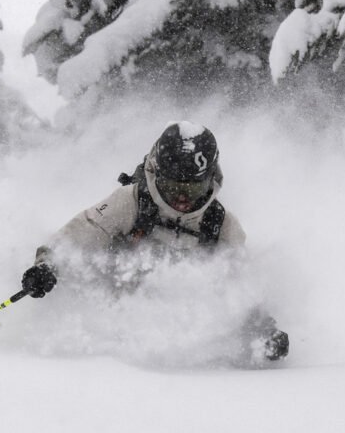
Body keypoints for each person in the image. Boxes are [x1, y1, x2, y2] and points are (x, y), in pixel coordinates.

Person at [19, 121, 289, 363]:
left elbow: (239, 287)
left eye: (192, 188)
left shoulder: (222, 226)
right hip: (111, 320)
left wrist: (261, 328)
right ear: (158, 175)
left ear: (209, 181)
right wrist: (46, 266)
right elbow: (81, 235)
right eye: (174, 186)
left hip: (182, 344)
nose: (183, 198)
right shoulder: (130, 201)